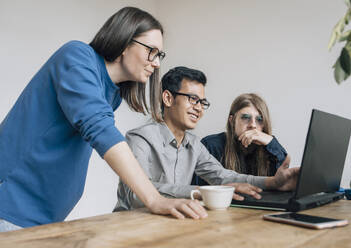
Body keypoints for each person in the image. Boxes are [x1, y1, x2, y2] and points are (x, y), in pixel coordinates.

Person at [0, 7, 207, 232]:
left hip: (46, 217)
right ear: (124, 41)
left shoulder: (112, 94)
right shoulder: (76, 56)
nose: (156, 63)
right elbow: (99, 129)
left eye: (159, 55)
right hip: (11, 207)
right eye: (151, 51)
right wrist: (154, 199)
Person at [114, 66, 299, 211]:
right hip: (130, 227)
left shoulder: (194, 145)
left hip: (170, 226)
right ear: (168, 98)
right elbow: (136, 194)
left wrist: (272, 182)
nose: (199, 108)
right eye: (192, 99)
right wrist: (201, 192)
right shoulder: (139, 138)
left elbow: (225, 177)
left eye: (202, 102)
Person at [194, 93, 288, 185]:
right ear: (232, 121)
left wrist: (272, 142)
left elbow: (282, 181)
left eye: (260, 119)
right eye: (246, 117)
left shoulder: (269, 146)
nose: (253, 125)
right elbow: (198, 190)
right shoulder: (211, 145)